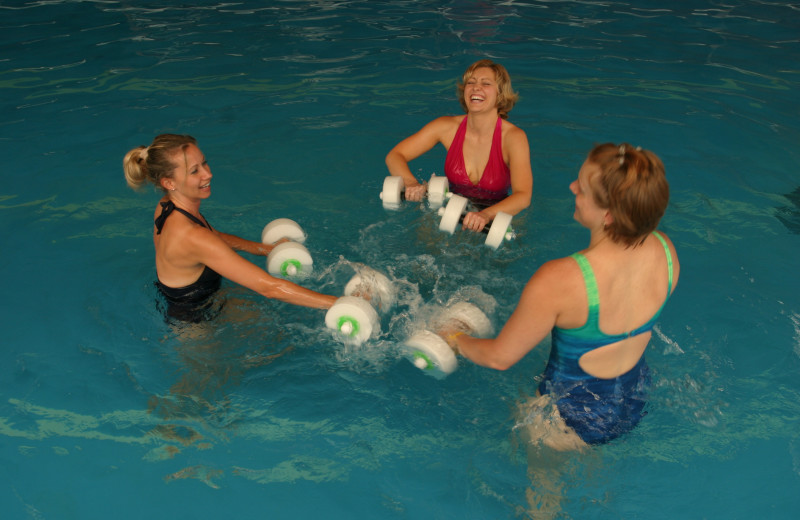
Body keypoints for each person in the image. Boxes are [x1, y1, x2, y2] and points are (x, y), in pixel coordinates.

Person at [443, 143, 680, 448]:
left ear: (607, 215)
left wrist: (453, 338)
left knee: (541, 489)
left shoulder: (561, 279)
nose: (571, 188)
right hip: (633, 398)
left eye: (581, 189)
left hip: (569, 422)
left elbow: (499, 358)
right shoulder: (665, 250)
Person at [124, 134, 338, 322]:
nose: (208, 174)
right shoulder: (191, 236)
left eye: (204, 164)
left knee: (273, 327)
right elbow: (270, 288)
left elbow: (213, 236)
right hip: (193, 322)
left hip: (196, 296)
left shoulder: (166, 206)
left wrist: (263, 249)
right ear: (169, 183)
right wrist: (339, 303)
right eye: (194, 171)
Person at [384, 59, 533, 233]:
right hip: (451, 207)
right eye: (471, 82)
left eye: (486, 83)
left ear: (500, 94)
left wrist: (486, 215)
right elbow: (395, 155)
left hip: (497, 215)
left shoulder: (514, 138)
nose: (476, 87)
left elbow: (523, 196)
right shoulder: (446, 127)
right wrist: (410, 183)